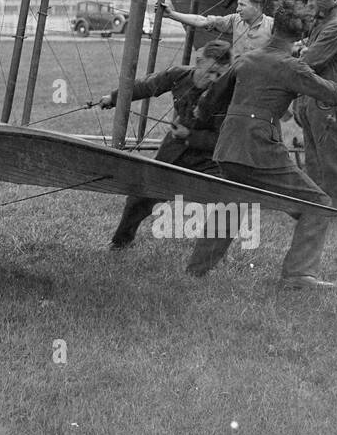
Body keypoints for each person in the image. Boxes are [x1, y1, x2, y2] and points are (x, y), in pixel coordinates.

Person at [207, 0, 337, 290]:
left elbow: (211, 100)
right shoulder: (291, 66)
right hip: (260, 148)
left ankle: (197, 268)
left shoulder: (246, 59)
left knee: (234, 200)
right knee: (319, 204)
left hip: (228, 146)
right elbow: (333, 95)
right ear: (302, 34)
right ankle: (298, 274)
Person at [96, 40, 234, 274]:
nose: (213, 78)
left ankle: (211, 257)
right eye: (209, 71)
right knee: (141, 195)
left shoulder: (229, 92)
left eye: (219, 74)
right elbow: (147, 85)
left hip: (210, 156)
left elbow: (224, 137)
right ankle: (120, 242)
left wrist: (191, 135)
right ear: (198, 62)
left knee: (228, 200)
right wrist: (114, 97)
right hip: (175, 150)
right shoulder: (179, 76)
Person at [294, 0, 337, 213]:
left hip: (327, 100)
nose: (308, 2)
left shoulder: (336, 25)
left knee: (333, 158)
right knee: (314, 157)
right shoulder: (325, 21)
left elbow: (310, 61)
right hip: (317, 97)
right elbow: (307, 53)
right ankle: (322, 208)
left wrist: (303, 53)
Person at [163, 0, 271, 57]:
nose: (238, 9)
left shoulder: (273, 26)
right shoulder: (235, 19)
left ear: (257, 6)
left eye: (242, 5)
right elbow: (203, 21)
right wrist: (171, 14)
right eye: (238, 4)